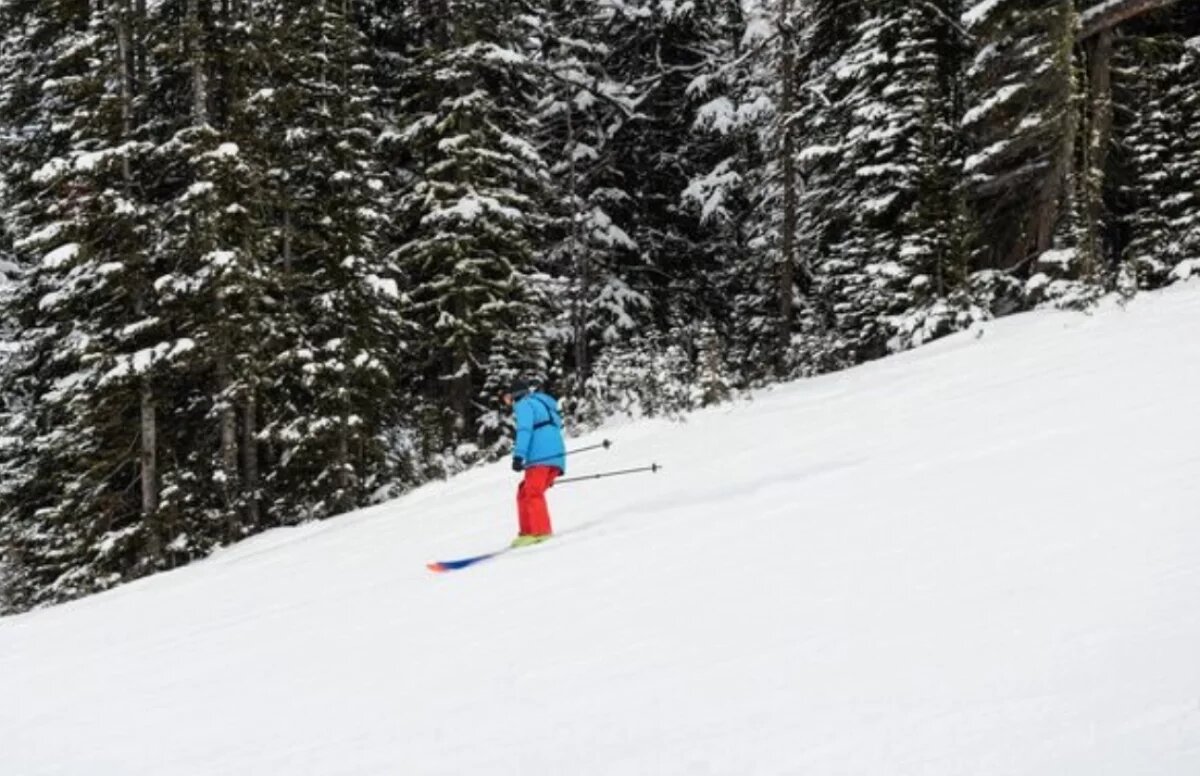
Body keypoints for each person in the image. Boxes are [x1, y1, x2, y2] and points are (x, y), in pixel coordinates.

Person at [503, 378, 565, 547]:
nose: (509, 403)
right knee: (525, 491)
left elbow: (524, 429)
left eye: (508, 398)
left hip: (540, 456)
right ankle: (527, 532)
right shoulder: (541, 404)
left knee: (532, 492)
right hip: (555, 456)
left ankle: (540, 531)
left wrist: (519, 456)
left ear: (515, 395)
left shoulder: (524, 405)